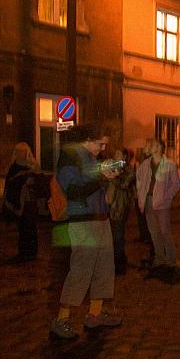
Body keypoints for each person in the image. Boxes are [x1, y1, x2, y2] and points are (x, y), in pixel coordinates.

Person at [50, 124, 122, 340]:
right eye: (101, 144)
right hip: (82, 221)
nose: (103, 148)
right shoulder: (69, 156)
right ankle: (61, 319)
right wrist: (102, 177)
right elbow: (73, 190)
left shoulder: (92, 158)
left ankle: (95, 314)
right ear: (89, 139)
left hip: (101, 219)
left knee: (104, 267)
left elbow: (98, 187)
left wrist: (110, 176)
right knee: (81, 269)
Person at [136, 139, 180, 279]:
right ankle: (159, 259)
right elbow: (139, 179)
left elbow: (175, 184)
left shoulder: (169, 164)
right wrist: (140, 194)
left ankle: (171, 260)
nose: (151, 146)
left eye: (154, 144)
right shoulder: (145, 164)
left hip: (162, 204)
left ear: (160, 147)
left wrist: (166, 198)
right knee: (154, 232)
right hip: (148, 201)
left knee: (165, 232)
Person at [3, 142, 40, 262]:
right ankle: (23, 252)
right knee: (23, 227)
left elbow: (39, 182)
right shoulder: (14, 167)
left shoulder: (33, 166)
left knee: (31, 227)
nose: (20, 154)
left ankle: (32, 252)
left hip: (30, 200)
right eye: (18, 151)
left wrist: (31, 181)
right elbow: (10, 184)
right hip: (19, 201)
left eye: (22, 151)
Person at [106, 147, 135, 275]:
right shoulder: (111, 167)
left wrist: (112, 177)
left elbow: (124, 185)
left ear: (124, 157)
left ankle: (119, 265)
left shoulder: (128, 170)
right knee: (111, 236)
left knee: (118, 236)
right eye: (115, 153)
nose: (115, 156)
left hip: (119, 206)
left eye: (118, 154)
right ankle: (114, 261)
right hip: (109, 206)